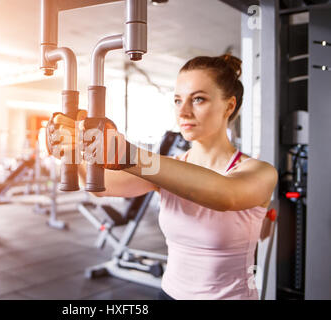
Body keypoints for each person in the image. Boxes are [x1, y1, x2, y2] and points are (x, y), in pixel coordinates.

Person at [46, 54, 278, 300]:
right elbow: (100, 187)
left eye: (198, 99)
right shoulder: (169, 170)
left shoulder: (260, 172)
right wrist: (73, 150)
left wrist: (126, 153)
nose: (184, 112)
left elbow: (225, 195)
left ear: (229, 106)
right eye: (178, 100)